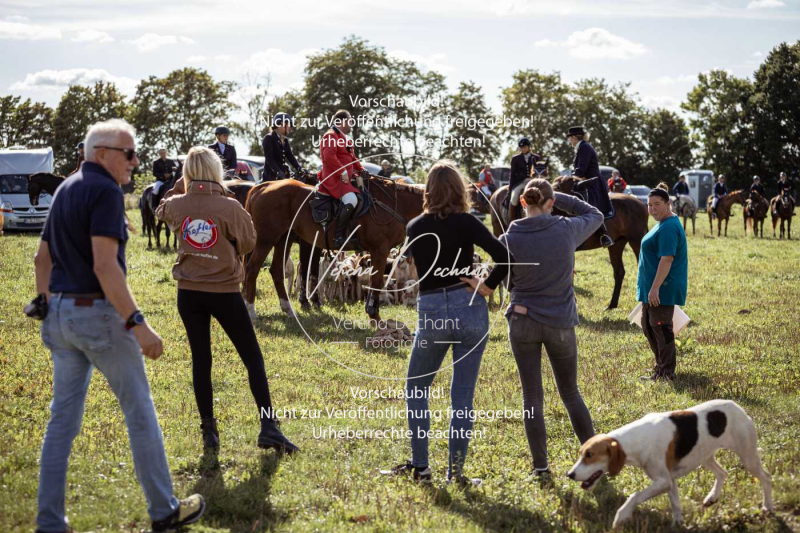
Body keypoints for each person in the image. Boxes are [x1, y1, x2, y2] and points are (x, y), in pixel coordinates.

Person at [32, 119, 205, 533]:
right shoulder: (105, 191)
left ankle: (49, 522)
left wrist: (45, 307)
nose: (136, 161)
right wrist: (139, 323)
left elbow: (41, 261)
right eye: (129, 153)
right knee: (139, 411)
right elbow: (105, 266)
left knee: (61, 424)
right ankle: (164, 510)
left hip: (60, 317)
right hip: (99, 317)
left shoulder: (66, 189)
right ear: (103, 153)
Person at [155, 146, 298, 454]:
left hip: (188, 292)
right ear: (216, 170)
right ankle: (268, 425)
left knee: (201, 360)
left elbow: (161, 211)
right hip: (224, 291)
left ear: (188, 173)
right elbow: (249, 242)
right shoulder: (230, 206)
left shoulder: (177, 203)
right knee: (252, 358)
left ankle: (209, 431)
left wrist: (182, 188)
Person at [385, 161, 511, 487]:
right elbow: (504, 255)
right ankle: (456, 473)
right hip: (469, 309)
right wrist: (487, 285)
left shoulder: (414, 226)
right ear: (460, 189)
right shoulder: (467, 222)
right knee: (462, 397)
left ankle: (421, 468)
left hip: (433, 312)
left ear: (428, 190)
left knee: (417, 389)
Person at [500, 178, 601, 478]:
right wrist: (563, 198)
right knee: (571, 393)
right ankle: (594, 461)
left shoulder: (509, 238)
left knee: (532, 397)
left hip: (522, 320)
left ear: (522, 203)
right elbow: (595, 214)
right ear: (551, 203)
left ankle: (541, 468)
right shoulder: (566, 229)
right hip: (561, 322)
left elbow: (507, 283)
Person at [636, 186, 688, 382]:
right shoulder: (663, 223)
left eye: (657, 204)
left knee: (660, 327)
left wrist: (656, 287)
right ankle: (660, 368)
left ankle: (667, 372)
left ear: (668, 204)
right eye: (649, 205)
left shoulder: (668, 227)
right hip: (652, 289)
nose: (652, 209)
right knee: (649, 326)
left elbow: (667, 259)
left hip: (662, 288)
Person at [317, 109, 369, 249]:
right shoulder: (330, 136)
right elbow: (329, 157)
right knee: (351, 199)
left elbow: (352, 159)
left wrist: (362, 169)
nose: (351, 124)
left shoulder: (345, 139)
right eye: (349, 121)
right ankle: (338, 236)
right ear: (341, 121)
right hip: (332, 179)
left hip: (344, 180)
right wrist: (343, 171)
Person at [567, 126, 614, 248]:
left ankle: (604, 235)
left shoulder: (585, 148)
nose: (570, 141)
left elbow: (581, 169)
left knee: (590, 206)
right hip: (583, 182)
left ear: (575, 137)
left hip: (592, 183)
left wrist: (570, 177)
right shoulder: (581, 148)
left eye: (570, 138)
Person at [261, 112, 304, 182]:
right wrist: (278, 171)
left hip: (283, 177)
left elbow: (290, 156)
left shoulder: (285, 140)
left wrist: (299, 168)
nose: (290, 127)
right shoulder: (269, 138)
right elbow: (269, 159)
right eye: (288, 125)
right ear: (280, 124)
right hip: (270, 178)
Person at [506, 138, 539, 216]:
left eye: (524, 147)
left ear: (528, 147)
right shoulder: (515, 158)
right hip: (521, 182)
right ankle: (512, 219)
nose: (523, 149)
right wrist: (511, 188)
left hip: (533, 181)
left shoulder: (536, 157)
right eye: (521, 148)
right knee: (514, 198)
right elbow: (512, 174)